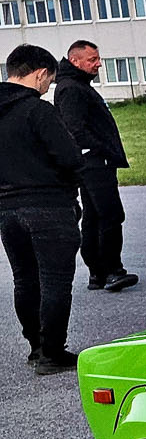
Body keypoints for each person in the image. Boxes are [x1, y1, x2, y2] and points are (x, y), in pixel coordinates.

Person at [0, 43, 84, 373]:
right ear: (39, 74)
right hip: (48, 205)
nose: (49, 87)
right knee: (55, 281)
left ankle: (35, 346)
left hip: (7, 209)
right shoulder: (38, 110)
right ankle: (52, 353)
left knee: (24, 280)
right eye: (49, 80)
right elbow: (69, 157)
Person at [53, 39, 138, 293]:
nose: (98, 64)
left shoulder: (78, 85)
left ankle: (98, 273)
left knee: (94, 215)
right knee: (110, 214)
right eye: (92, 60)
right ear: (75, 61)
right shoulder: (71, 89)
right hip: (93, 163)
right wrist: (101, 149)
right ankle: (112, 270)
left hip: (93, 161)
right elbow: (74, 129)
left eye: (98, 59)